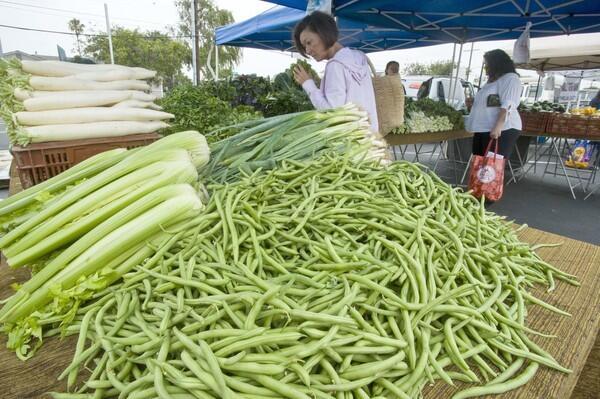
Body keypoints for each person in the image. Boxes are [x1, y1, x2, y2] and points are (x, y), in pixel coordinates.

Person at [292, 11, 379, 132]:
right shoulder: (359, 57)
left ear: (324, 33)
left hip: (351, 142)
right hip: (370, 136)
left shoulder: (335, 65)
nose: (307, 50)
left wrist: (308, 84)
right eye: (304, 46)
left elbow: (332, 113)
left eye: (309, 42)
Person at [466, 49, 522, 159]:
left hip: (502, 129)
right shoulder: (492, 80)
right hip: (484, 128)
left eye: (487, 64)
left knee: (490, 169)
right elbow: (493, 102)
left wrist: (498, 127)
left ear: (496, 63)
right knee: (479, 166)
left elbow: (508, 104)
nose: (485, 67)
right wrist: (475, 103)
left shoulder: (510, 78)